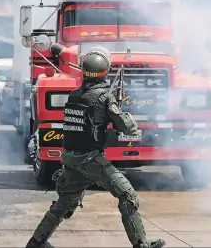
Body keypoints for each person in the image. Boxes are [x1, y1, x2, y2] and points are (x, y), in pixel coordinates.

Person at [25, 48, 166, 248]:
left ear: (83, 71)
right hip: (91, 160)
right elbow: (126, 127)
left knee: (64, 203)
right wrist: (125, 115)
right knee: (127, 195)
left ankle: (36, 242)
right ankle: (141, 244)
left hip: (71, 159)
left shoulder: (74, 95)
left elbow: (87, 123)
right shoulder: (105, 98)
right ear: (105, 71)